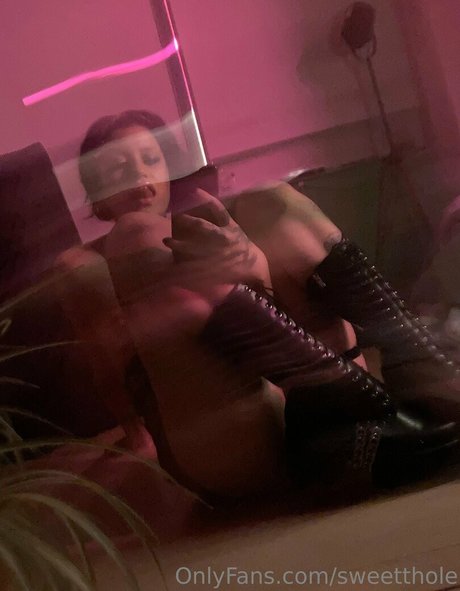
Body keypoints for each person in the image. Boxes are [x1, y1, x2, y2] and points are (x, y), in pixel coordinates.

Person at [56, 109, 460, 500]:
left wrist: (247, 264)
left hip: (325, 407)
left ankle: (420, 365)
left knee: (270, 199)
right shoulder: (85, 266)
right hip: (233, 428)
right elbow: (112, 368)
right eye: (118, 168)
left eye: (151, 159)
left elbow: (272, 305)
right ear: (98, 195)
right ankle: (360, 412)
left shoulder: (210, 226)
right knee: (138, 233)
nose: (140, 175)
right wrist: (135, 437)